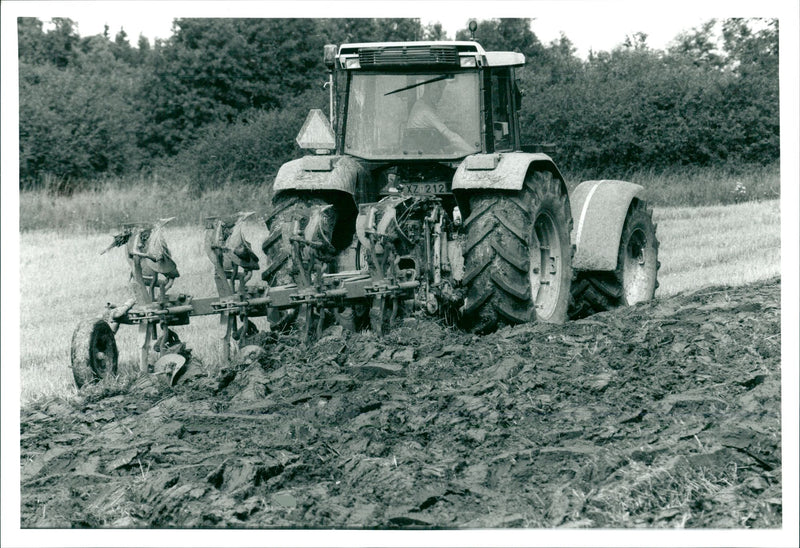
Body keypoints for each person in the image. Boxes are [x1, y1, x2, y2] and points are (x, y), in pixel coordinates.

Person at [406, 80, 474, 152]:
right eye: (435, 90)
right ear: (426, 90)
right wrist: (473, 151)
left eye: (441, 91)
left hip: (423, 149)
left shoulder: (420, 104)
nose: (439, 95)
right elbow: (452, 137)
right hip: (422, 153)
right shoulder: (426, 111)